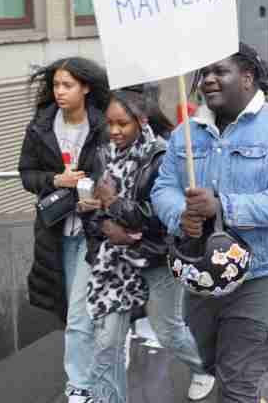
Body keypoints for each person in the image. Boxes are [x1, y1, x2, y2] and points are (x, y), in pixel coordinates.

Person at [151, 43, 268, 402]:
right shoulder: (185, 134)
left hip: (265, 276)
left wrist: (222, 206)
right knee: (216, 365)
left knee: (237, 381)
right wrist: (182, 215)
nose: (208, 79)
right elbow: (163, 187)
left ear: (247, 77)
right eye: (204, 73)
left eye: (219, 71)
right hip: (203, 278)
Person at [82, 88, 215, 402]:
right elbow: (90, 209)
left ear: (141, 121)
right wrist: (103, 223)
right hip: (113, 263)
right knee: (106, 344)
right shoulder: (102, 155)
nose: (114, 131)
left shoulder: (161, 157)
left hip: (155, 258)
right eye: (110, 123)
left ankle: (203, 368)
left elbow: (159, 218)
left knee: (168, 331)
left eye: (123, 124)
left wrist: (113, 205)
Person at [18, 57, 109, 403]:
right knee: (76, 311)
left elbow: (120, 170)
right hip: (57, 232)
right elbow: (26, 173)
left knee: (78, 316)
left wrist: (97, 194)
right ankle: (107, 354)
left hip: (96, 232)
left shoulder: (103, 124)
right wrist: (55, 180)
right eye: (56, 85)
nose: (59, 92)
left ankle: (79, 385)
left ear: (85, 87)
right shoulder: (41, 126)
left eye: (67, 85)